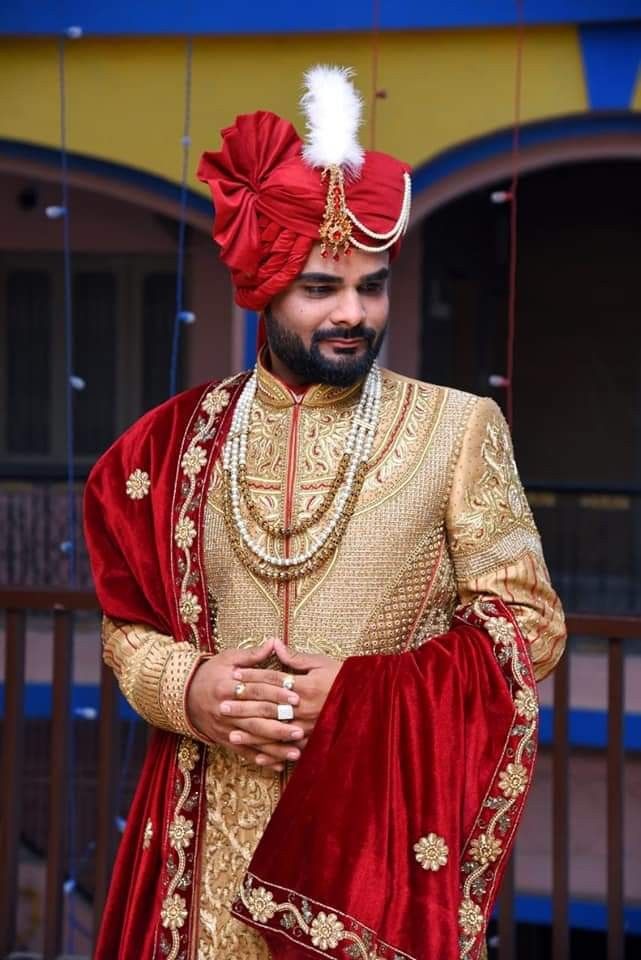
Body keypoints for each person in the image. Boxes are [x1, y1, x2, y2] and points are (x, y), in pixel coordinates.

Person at [84, 66, 566, 960]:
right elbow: (127, 630)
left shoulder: (457, 428)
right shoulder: (168, 445)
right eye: (319, 287)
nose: (352, 313)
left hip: (374, 850)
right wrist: (189, 689)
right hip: (202, 860)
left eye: (371, 287)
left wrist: (358, 697)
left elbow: (525, 626)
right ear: (264, 287)